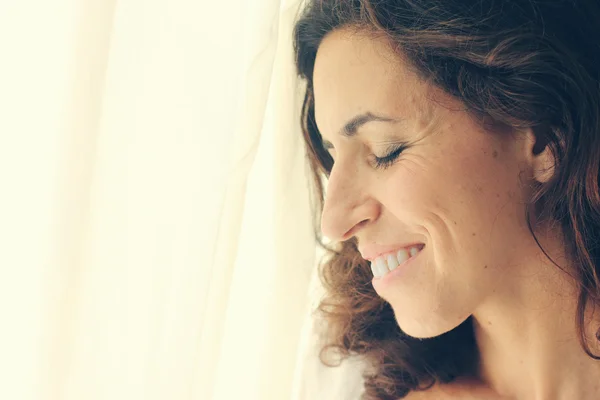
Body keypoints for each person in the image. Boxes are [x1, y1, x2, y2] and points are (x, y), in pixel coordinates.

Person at [292, 1, 600, 399]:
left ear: (545, 138)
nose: (334, 222)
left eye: (385, 150)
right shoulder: (354, 384)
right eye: (332, 159)